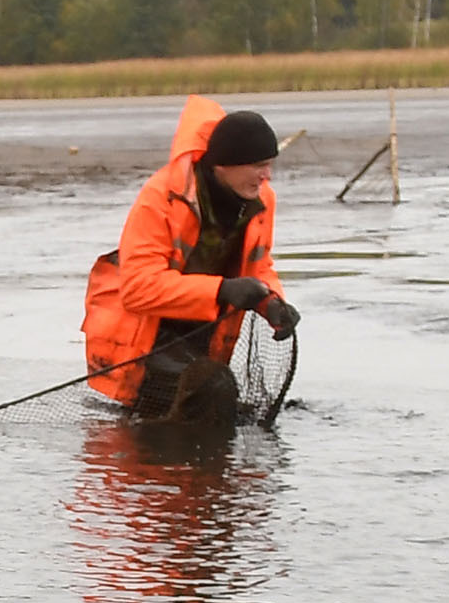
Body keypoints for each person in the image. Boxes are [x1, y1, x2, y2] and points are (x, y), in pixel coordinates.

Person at [81, 98, 300, 419]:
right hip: (145, 340)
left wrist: (272, 303)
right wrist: (222, 291)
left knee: (210, 409)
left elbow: (259, 265)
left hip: (203, 336)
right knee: (206, 400)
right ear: (224, 164)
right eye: (258, 166)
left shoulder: (262, 199)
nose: (266, 175)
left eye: (269, 165)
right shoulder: (161, 198)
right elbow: (138, 289)